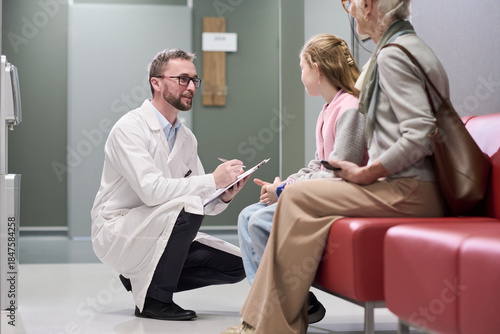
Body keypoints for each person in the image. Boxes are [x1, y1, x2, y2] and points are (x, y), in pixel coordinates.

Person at [223, 0, 449, 333]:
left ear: (369, 6)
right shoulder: (396, 50)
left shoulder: (396, 55)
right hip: (404, 186)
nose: (349, 9)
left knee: (297, 198)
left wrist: (367, 173)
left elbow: (420, 134)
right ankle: (264, 322)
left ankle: (268, 326)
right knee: (295, 199)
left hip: (411, 190)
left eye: (351, 2)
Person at [91, 48, 249, 321]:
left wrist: (223, 194)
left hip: (159, 228)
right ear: (156, 82)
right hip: (119, 230)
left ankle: (141, 279)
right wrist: (212, 179)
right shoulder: (130, 128)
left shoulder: (186, 137)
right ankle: (154, 301)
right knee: (186, 205)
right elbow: (152, 191)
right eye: (182, 79)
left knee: (238, 267)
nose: (190, 87)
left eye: (194, 81)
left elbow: (204, 204)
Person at [236, 33, 367, 324]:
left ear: (317, 70)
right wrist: (285, 185)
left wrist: (284, 189)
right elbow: (317, 165)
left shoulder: (350, 109)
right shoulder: (327, 109)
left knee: (260, 221)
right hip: (322, 193)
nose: (301, 75)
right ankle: (286, 304)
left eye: (302, 68)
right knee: (247, 216)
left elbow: (339, 173)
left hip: (342, 196)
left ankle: (277, 309)